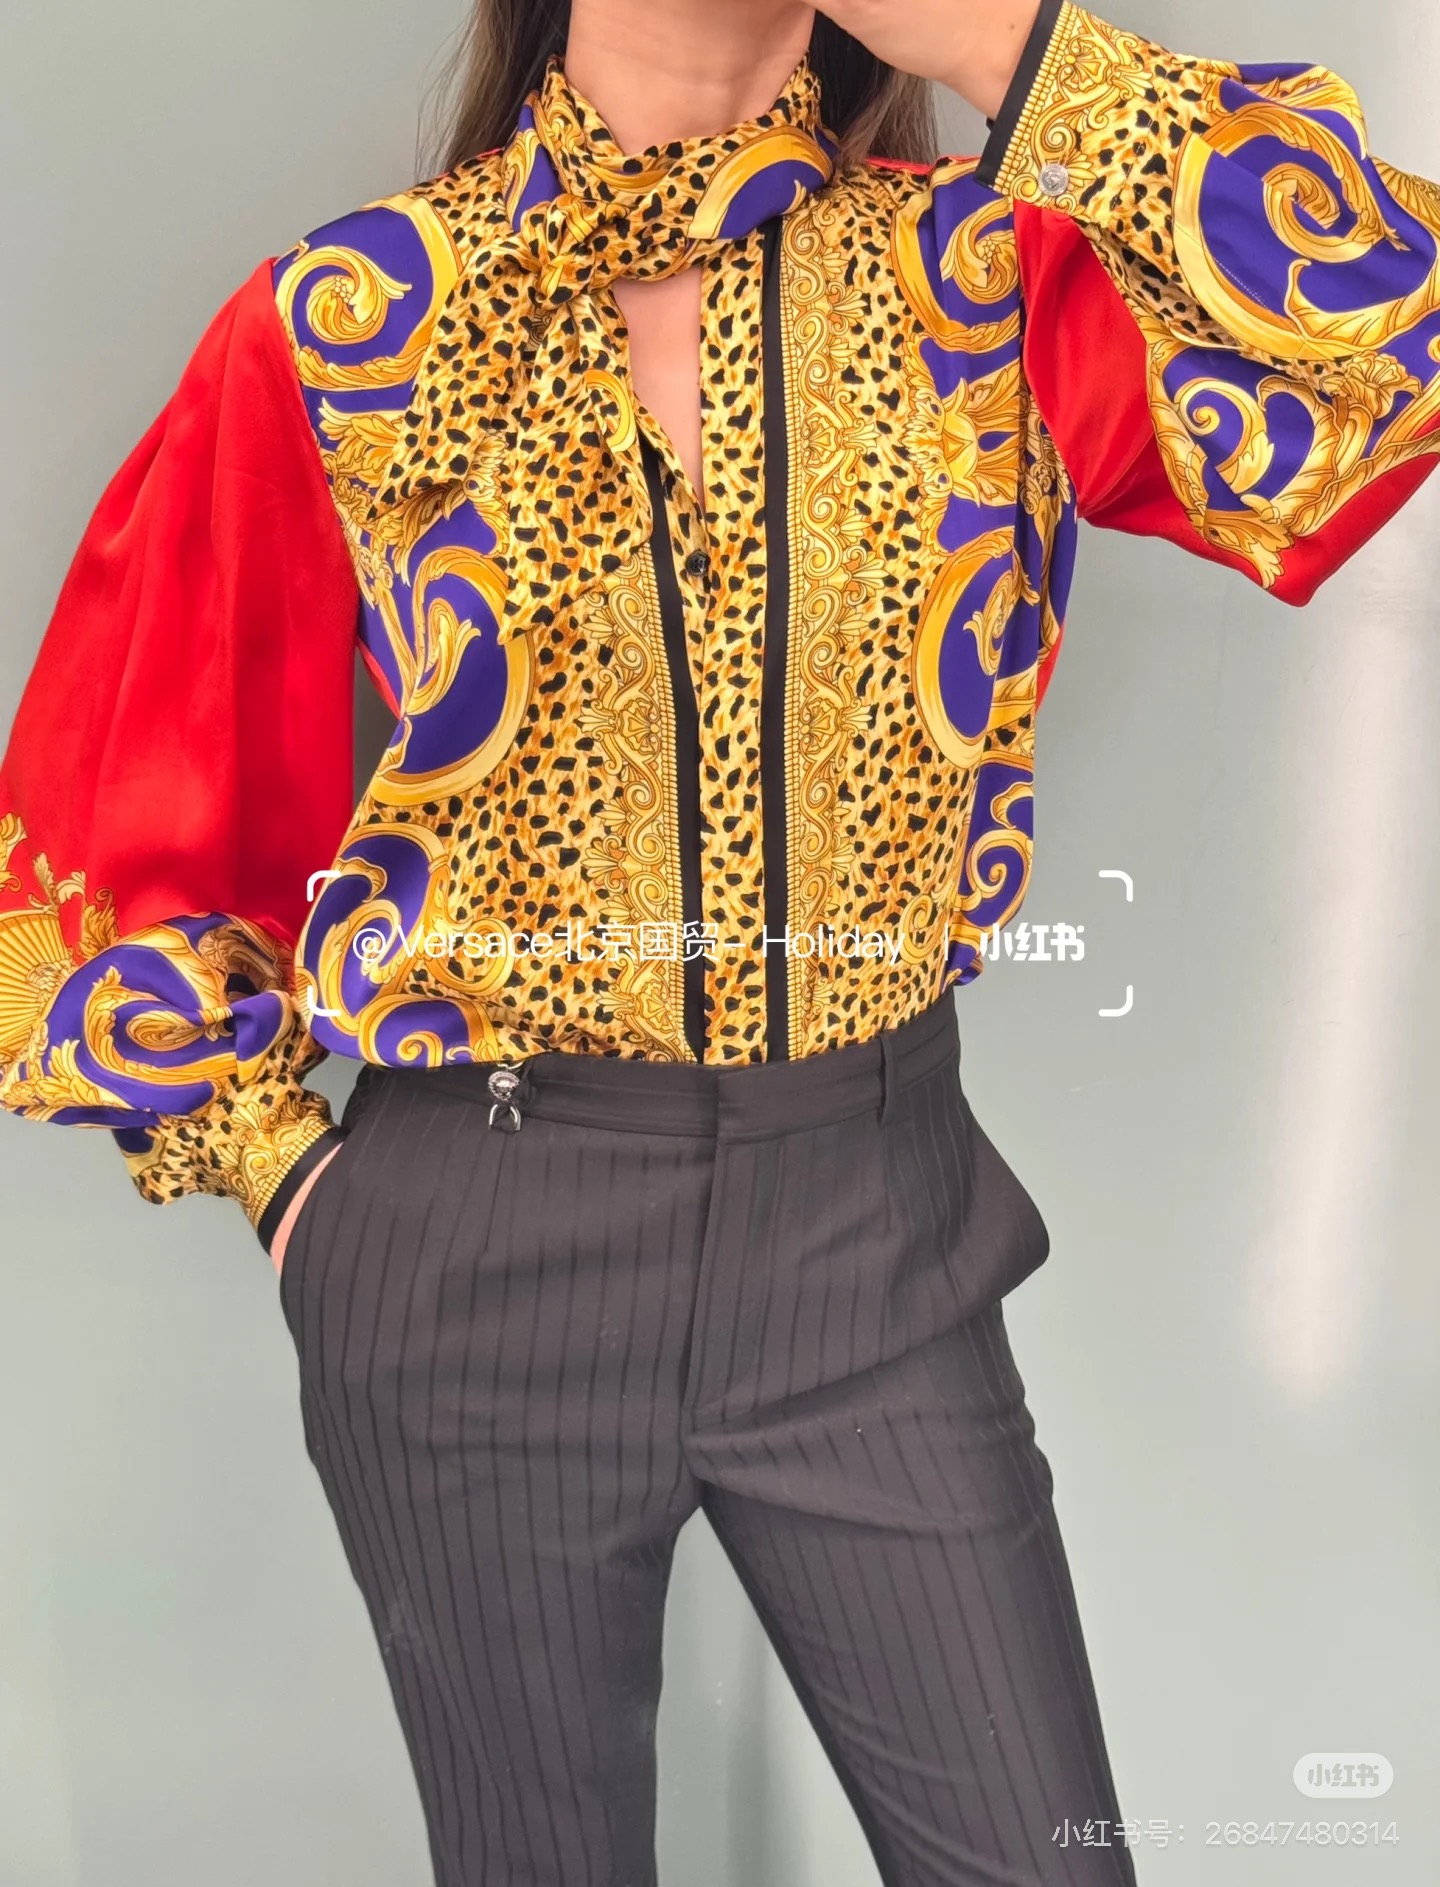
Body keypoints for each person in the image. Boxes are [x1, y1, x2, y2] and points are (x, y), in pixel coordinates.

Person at [2, 0, 1437, 1880]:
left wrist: (998, 38)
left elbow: (1389, 331)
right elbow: (109, 822)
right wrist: (295, 1190)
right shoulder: (353, 321)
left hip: (872, 1231)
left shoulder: (991, 278)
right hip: (472, 1239)